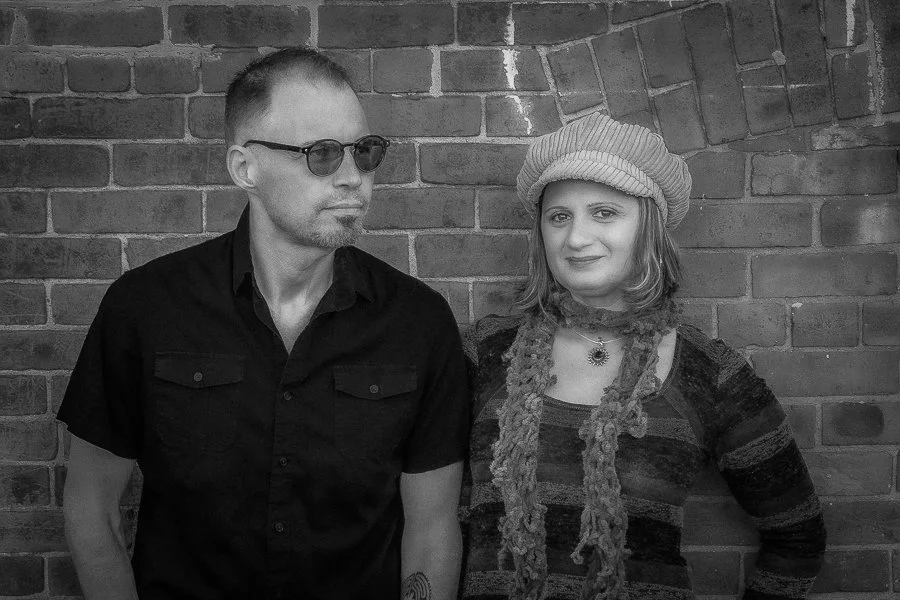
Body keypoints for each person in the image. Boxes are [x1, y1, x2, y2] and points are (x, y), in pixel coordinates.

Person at [57, 47, 469, 600]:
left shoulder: (418, 322)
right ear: (244, 168)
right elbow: (91, 508)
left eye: (365, 151)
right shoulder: (146, 308)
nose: (352, 177)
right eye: (322, 154)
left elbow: (432, 526)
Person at [459, 113, 826, 599]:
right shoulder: (483, 355)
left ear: (648, 226)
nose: (575, 238)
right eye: (559, 216)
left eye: (605, 213)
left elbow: (797, 535)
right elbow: (424, 516)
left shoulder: (708, 373)